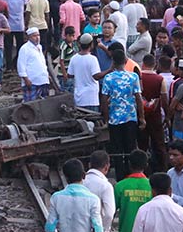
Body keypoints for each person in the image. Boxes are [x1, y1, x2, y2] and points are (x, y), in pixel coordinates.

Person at [44, 159, 103, 232]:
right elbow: (97, 231)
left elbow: (49, 229)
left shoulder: (57, 198)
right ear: (84, 175)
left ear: (66, 177)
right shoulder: (93, 200)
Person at [101, 49, 144, 181]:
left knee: (117, 151)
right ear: (125, 61)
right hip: (130, 118)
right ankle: (131, 175)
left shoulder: (108, 78)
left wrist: (106, 119)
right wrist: (142, 118)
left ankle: (120, 178)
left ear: (113, 61)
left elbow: (104, 100)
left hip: (114, 120)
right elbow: (138, 98)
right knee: (130, 148)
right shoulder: (133, 77)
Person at [114, 150, 152, 232]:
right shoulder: (152, 186)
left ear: (129, 164)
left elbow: (112, 211)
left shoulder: (120, 186)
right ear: (146, 165)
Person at [84, 150, 116, 232]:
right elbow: (109, 214)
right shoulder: (105, 186)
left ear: (89, 165)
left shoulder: (81, 182)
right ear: (107, 167)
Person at [140, 54, 169, 171]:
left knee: (142, 144)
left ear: (143, 63)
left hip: (141, 115)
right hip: (155, 116)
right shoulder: (160, 79)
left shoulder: (138, 77)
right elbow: (164, 99)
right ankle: (163, 169)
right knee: (159, 144)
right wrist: (167, 116)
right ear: (155, 65)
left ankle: (142, 169)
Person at [67, 34, 103, 112]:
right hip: (91, 98)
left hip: (79, 98)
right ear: (91, 45)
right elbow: (96, 76)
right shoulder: (92, 59)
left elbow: (70, 75)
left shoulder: (74, 58)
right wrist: (109, 70)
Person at [1, 0, 29, 71]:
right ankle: (17, 64)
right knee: (20, 46)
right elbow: (28, 0)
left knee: (8, 46)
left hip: (9, 25)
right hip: (19, 25)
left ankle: (9, 66)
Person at [18, 28, 50, 101]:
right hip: (32, 81)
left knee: (44, 103)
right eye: (34, 36)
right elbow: (21, 65)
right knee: (31, 104)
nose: (37, 38)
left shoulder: (39, 47)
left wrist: (46, 74)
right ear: (29, 37)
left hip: (42, 79)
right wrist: (26, 79)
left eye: (38, 35)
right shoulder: (24, 48)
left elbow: (42, 63)